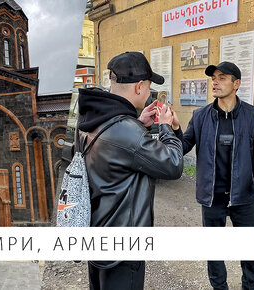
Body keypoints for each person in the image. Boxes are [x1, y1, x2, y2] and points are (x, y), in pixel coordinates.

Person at [77, 51, 183, 290]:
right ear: (138, 87)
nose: (148, 94)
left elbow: (118, 152)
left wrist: (136, 121)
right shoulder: (127, 131)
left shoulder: (91, 117)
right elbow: (174, 165)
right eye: (148, 88)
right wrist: (166, 128)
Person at [172, 61, 254, 290]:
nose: (215, 82)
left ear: (236, 83)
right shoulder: (200, 117)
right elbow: (182, 147)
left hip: (244, 197)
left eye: (222, 77)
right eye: (213, 78)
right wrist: (173, 129)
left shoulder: (252, 116)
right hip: (212, 198)